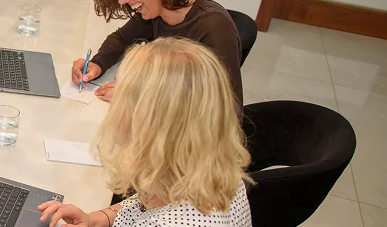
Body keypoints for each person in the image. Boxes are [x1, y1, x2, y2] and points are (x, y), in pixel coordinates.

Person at [37, 37, 252, 227]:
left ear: (149, 122)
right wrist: (98, 219)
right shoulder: (205, 169)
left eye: (122, 95)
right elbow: (146, 204)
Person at [72, 0, 243, 111]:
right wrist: (97, 64)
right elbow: (122, 38)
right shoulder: (159, 10)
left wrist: (139, 97)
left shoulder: (213, 28)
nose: (122, 0)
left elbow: (223, 112)